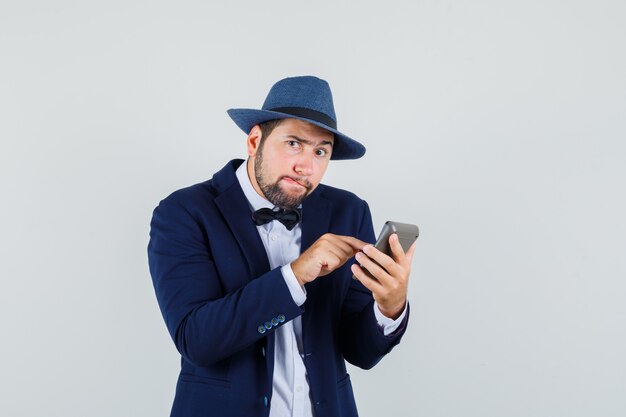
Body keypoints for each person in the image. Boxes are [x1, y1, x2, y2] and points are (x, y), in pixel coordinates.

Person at [147, 75, 417, 417]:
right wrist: (294, 276)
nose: (306, 165)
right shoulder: (184, 212)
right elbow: (197, 340)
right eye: (293, 143)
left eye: (320, 151)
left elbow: (359, 351)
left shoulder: (349, 211)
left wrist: (389, 308)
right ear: (255, 140)